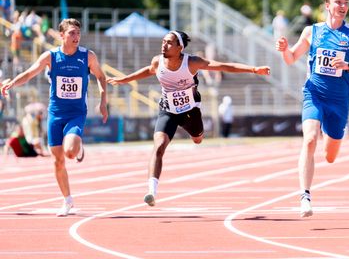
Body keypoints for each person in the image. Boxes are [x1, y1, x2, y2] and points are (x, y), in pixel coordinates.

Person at [107, 30, 270, 207]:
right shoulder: (157, 61)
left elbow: (223, 66)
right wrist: (125, 79)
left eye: (169, 42)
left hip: (190, 111)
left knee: (198, 139)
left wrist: (253, 69)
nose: (164, 44)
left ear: (180, 47)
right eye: (163, 41)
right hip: (167, 110)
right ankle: (151, 191)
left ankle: (196, 134)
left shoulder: (192, 62)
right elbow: (149, 70)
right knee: (159, 147)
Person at [275, 0, 349, 217]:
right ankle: (304, 196)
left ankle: (332, 137)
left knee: (330, 156)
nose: (342, 6)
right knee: (309, 140)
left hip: (339, 101)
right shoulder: (312, 32)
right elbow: (291, 59)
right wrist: (284, 50)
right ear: (327, 5)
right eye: (338, 2)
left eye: (345, 2)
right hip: (314, 93)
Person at [1, 18, 108, 216]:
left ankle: (77, 145)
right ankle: (67, 200)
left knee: (69, 152)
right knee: (58, 161)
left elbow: (101, 76)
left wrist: (103, 101)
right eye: (71, 33)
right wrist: (12, 84)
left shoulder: (87, 56)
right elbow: (29, 74)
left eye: (78, 33)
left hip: (76, 113)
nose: (76, 37)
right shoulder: (50, 56)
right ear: (62, 35)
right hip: (55, 114)